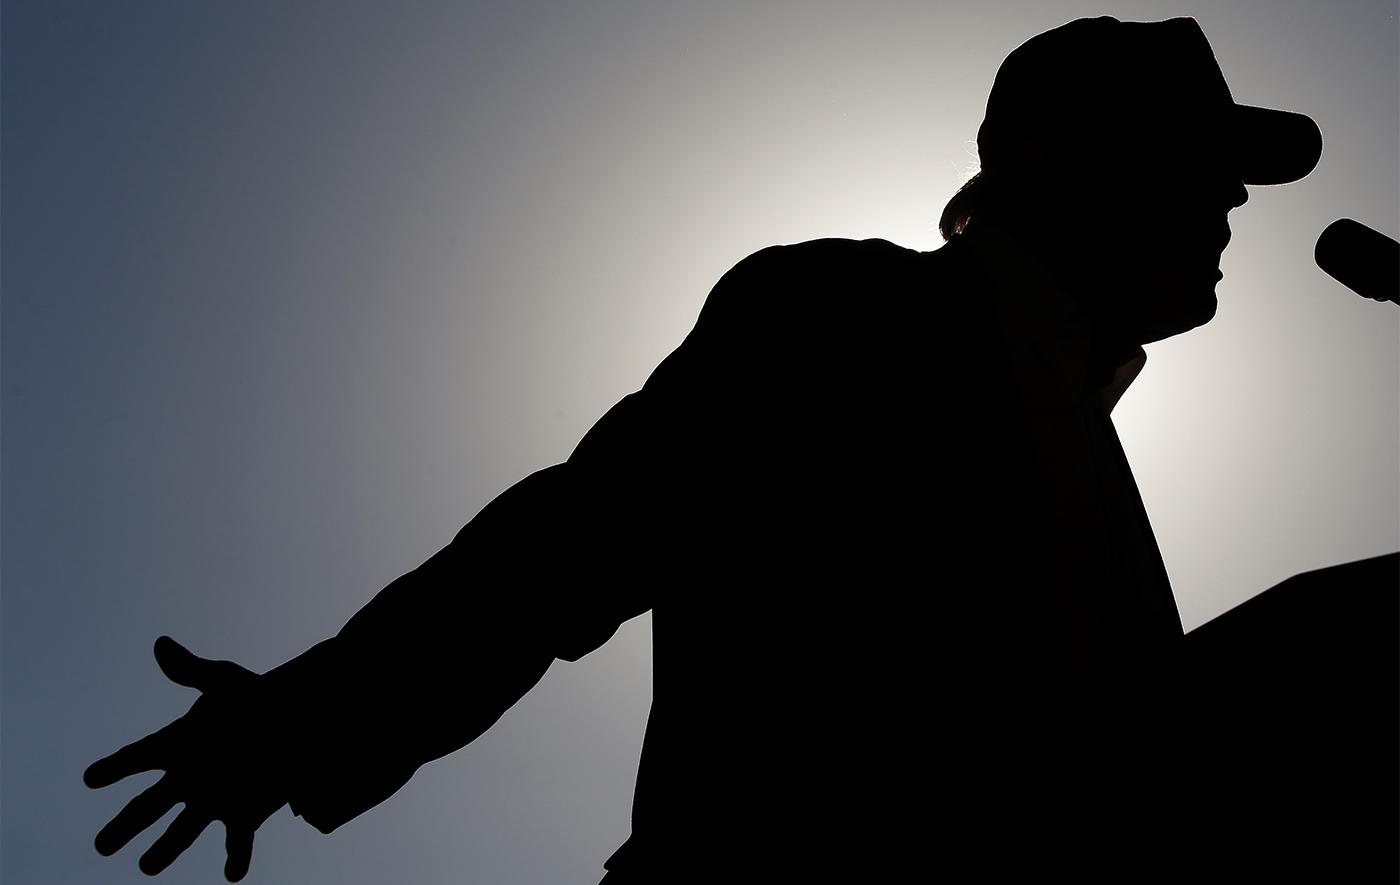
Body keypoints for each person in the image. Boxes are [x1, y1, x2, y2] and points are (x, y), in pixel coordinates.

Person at [87, 16, 1386, 883]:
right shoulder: (856, 312)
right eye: (1190, 161)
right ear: (1048, 167)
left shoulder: (1083, 439)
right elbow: (591, 527)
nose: (1229, 200)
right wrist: (311, 718)